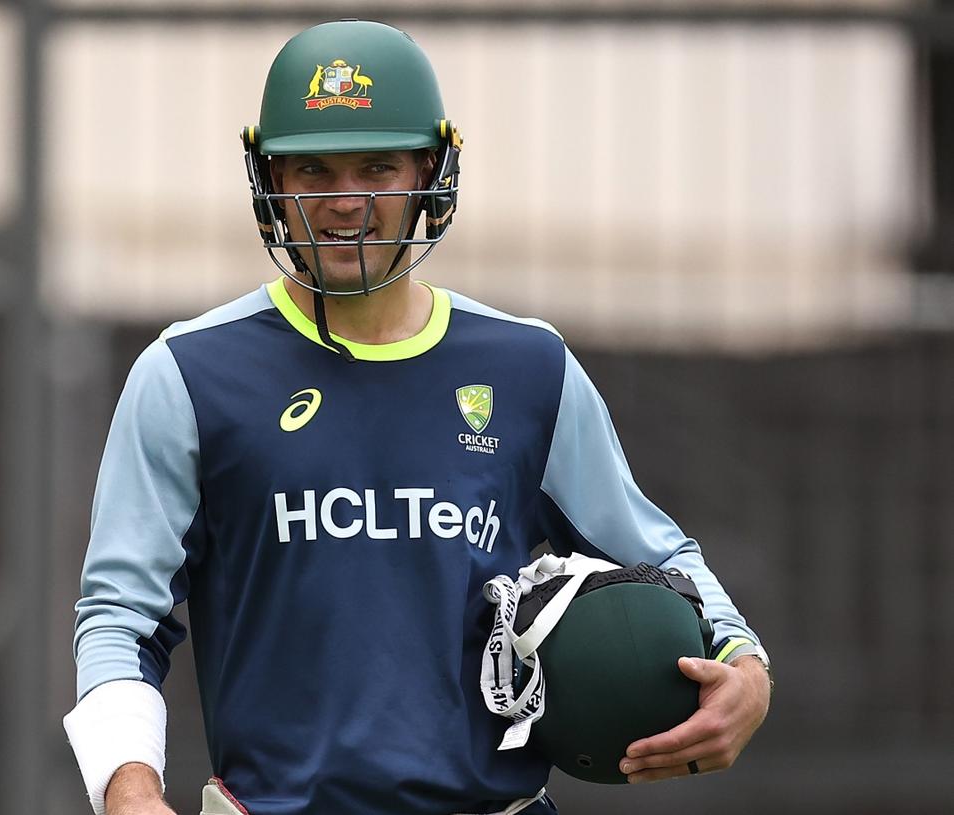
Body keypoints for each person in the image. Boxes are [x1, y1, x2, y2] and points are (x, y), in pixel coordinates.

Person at [63, 21, 771, 815]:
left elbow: (657, 552)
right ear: (269, 181)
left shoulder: (528, 367)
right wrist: (128, 790)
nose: (343, 202)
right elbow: (120, 615)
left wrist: (743, 665)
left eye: (376, 167)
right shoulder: (188, 375)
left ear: (432, 173)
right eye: (311, 169)